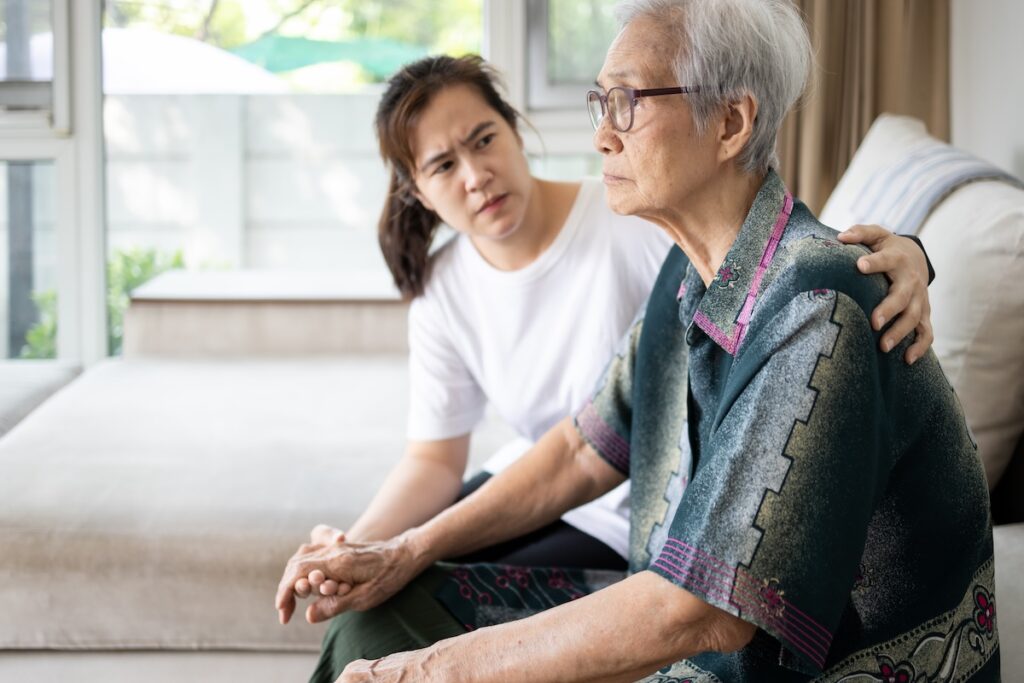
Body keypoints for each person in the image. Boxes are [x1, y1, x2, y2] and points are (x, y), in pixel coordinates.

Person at [276, 2, 999, 673]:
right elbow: (578, 450)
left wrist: (432, 668)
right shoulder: (686, 275)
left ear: (731, 124)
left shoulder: (817, 307)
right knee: (378, 617)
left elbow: (698, 615)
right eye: (601, 102)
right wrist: (400, 550)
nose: (600, 133)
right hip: (669, 599)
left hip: (776, 658)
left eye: (626, 101)